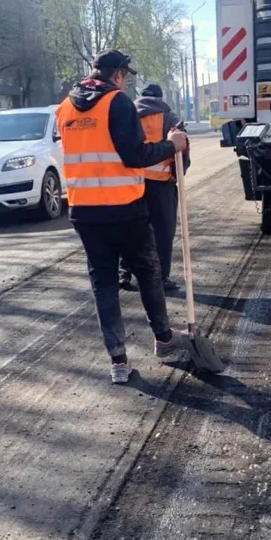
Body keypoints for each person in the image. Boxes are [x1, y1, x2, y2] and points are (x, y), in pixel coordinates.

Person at [56, 49, 189, 384]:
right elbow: (135, 155)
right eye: (125, 76)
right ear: (117, 75)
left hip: (84, 212)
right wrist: (171, 145)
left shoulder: (65, 108)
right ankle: (163, 338)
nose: (126, 81)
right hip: (124, 209)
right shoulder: (117, 102)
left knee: (104, 284)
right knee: (148, 271)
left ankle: (118, 362)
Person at [119, 83, 190, 293]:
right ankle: (161, 277)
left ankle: (125, 274)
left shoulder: (129, 113)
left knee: (131, 230)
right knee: (162, 232)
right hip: (160, 185)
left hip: (133, 183)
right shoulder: (170, 116)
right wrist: (179, 173)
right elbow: (182, 146)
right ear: (160, 97)